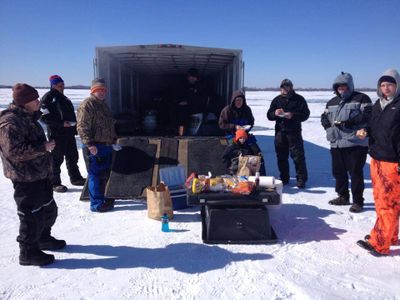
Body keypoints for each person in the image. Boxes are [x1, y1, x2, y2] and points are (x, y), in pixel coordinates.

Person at [0, 83, 66, 266]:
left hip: (40, 174)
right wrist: (42, 148)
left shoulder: (29, 117)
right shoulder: (10, 122)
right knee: (30, 215)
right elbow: (12, 151)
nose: (38, 101)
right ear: (24, 102)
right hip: (25, 177)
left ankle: (43, 238)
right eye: (34, 99)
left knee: (48, 209)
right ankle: (28, 252)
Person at [356, 69, 400, 256]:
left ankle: (380, 243)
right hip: (377, 158)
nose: (386, 88)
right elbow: (372, 124)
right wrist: (365, 130)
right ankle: (390, 235)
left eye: (390, 84)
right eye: (382, 85)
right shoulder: (378, 104)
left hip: (392, 161)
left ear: (397, 86)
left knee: (386, 202)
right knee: (386, 201)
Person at [321, 72, 372, 213]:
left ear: (350, 86)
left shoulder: (361, 98)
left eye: (344, 87)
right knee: (338, 172)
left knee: (355, 172)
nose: (341, 89)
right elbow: (324, 117)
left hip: (354, 143)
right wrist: (328, 128)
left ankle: (358, 201)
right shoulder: (332, 102)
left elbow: (368, 115)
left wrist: (348, 123)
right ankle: (343, 196)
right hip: (336, 142)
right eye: (339, 87)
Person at [77, 78, 117, 212]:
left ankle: (104, 198)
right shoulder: (87, 105)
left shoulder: (103, 105)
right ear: (93, 91)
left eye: (103, 90)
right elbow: (82, 127)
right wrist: (89, 144)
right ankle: (96, 204)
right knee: (95, 175)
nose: (102, 93)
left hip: (105, 146)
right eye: (98, 90)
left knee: (104, 174)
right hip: (94, 146)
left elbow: (109, 125)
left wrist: (113, 139)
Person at [40, 75, 85, 193]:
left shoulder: (64, 98)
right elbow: (44, 118)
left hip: (69, 133)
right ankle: (54, 183)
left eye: (63, 84)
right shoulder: (47, 98)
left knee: (73, 156)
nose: (63, 86)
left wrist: (74, 128)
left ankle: (76, 178)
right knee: (56, 159)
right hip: (57, 134)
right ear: (53, 85)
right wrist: (61, 124)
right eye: (60, 85)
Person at [267, 79, 310, 188]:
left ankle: (301, 179)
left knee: (298, 157)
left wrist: (293, 115)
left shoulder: (299, 99)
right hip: (280, 133)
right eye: (283, 87)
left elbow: (305, 114)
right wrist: (275, 113)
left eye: (287, 86)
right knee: (281, 157)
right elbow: (269, 115)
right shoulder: (277, 100)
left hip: (294, 132)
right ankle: (284, 177)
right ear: (280, 88)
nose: (285, 89)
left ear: (291, 87)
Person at [174, 68, 210, 134]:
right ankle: (181, 135)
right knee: (182, 122)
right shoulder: (188, 86)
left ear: (195, 77)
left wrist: (187, 102)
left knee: (194, 131)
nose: (189, 79)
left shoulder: (201, 86)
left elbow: (202, 99)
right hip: (189, 112)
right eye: (188, 78)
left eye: (191, 77)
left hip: (197, 112)